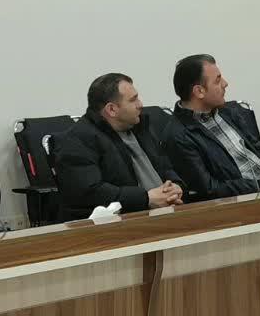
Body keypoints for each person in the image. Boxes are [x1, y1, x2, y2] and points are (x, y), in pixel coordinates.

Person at [162, 54, 260, 201]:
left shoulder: (228, 111)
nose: (225, 84)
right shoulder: (179, 135)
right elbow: (210, 189)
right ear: (199, 91)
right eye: (218, 80)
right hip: (245, 202)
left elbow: (259, 148)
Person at [54, 73, 184, 221]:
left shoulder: (140, 127)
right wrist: (146, 199)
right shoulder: (76, 141)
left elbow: (165, 166)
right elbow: (90, 192)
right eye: (133, 100)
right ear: (112, 109)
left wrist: (176, 186)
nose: (140, 104)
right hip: (122, 222)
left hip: (166, 212)